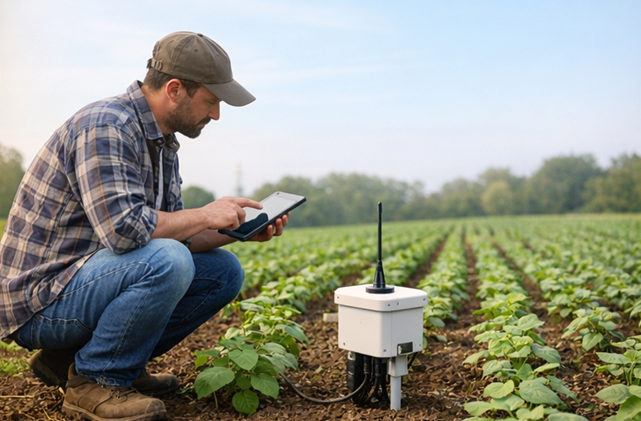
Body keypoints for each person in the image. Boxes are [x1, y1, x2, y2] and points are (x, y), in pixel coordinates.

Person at [0, 31, 287, 421]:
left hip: (87, 282)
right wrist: (205, 212)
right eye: (212, 101)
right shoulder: (106, 126)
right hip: (42, 301)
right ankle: (97, 379)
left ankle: (76, 360)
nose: (216, 114)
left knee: (223, 271)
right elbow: (126, 232)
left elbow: (172, 233)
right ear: (174, 89)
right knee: (167, 260)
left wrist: (236, 229)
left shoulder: (162, 143)